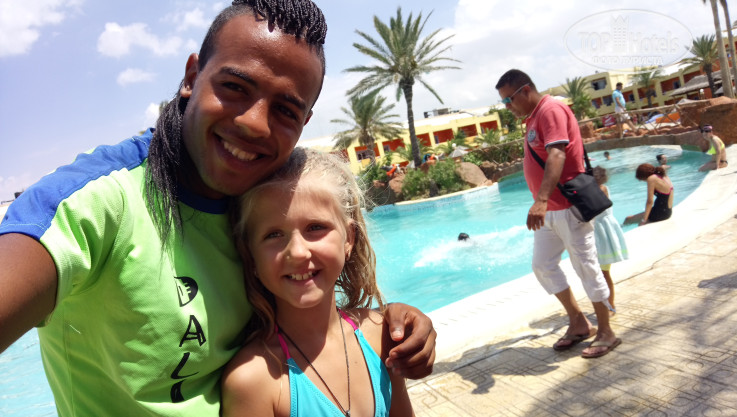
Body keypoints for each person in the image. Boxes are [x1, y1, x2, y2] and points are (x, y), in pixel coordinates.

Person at [0, 2, 435, 416]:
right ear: (192, 76)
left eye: (285, 110)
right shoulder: (98, 202)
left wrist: (394, 321)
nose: (254, 123)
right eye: (235, 87)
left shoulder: (260, 198)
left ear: (304, 123)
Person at [222, 148, 413, 416]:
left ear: (349, 238)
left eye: (315, 228)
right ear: (251, 255)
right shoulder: (254, 381)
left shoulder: (380, 335)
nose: (298, 252)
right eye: (273, 234)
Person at [495, 69, 620, 359]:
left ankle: (606, 331)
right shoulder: (533, 117)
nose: (507, 106)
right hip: (549, 211)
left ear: (526, 90)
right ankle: (578, 322)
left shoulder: (550, 110)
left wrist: (541, 199)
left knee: (586, 267)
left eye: (509, 99)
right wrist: (542, 203)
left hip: (565, 206)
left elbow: (557, 154)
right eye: (503, 102)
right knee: (542, 265)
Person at [591, 167, 629, 314]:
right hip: (607, 232)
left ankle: (610, 305)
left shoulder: (597, 191)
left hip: (602, 235)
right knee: (604, 272)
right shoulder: (604, 188)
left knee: (603, 273)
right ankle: (609, 304)